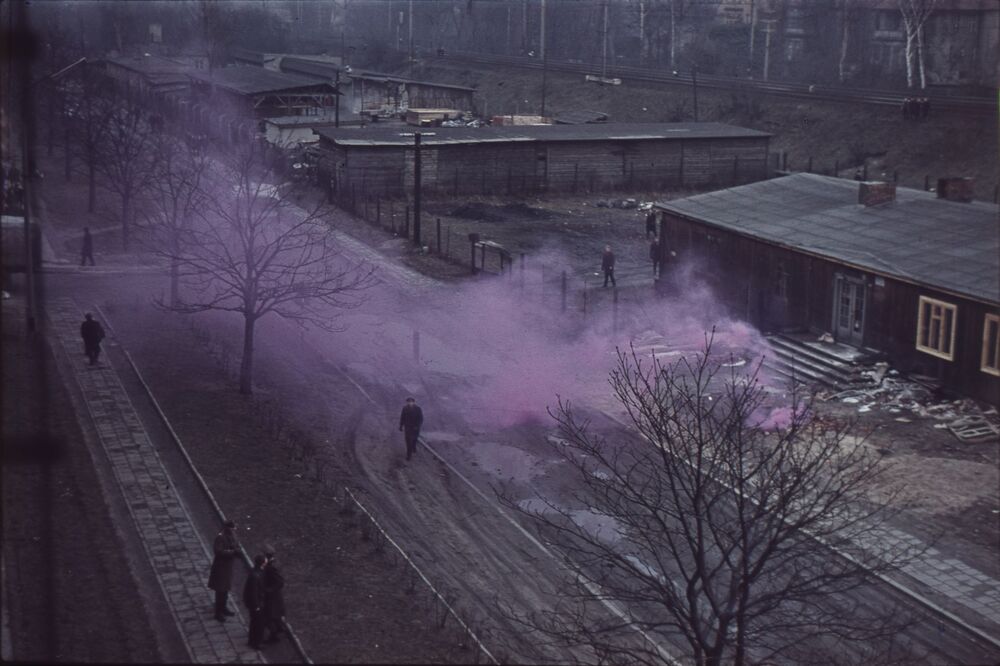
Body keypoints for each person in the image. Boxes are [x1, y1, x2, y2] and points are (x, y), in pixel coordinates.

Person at [207, 519, 239, 622]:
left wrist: (236, 549)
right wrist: (233, 552)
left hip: (227, 567)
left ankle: (223, 608)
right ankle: (218, 613)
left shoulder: (231, 535)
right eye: (233, 528)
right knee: (220, 591)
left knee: (225, 590)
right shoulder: (220, 537)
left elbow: (235, 544)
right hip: (221, 568)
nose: (234, 530)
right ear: (228, 528)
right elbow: (219, 552)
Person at [243, 554, 267, 650]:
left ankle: (252, 641)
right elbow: (253, 593)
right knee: (258, 624)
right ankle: (256, 643)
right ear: (262, 563)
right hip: (257, 604)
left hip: (255, 603)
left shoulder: (255, 571)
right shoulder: (256, 576)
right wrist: (256, 606)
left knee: (254, 622)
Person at [262, 551, 286, 644]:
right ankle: (279, 629)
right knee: (274, 616)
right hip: (273, 597)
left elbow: (280, 582)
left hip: (272, 597)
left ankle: (274, 636)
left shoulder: (270, 568)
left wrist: (269, 590)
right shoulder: (270, 566)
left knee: (269, 617)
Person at [399, 397, 423, 461]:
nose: (410, 403)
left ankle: (414, 446)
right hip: (408, 427)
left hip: (415, 428)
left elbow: (420, 419)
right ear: (407, 402)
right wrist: (401, 426)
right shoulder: (405, 408)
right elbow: (402, 417)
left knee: (414, 439)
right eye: (408, 402)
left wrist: (417, 426)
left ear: (414, 402)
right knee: (408, 441)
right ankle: (408, 455)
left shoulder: (418, 409)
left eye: (411, 402)